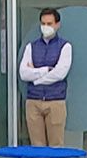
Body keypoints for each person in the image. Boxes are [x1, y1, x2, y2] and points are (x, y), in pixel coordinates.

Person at [18, 8, 73, 147]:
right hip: (33, 101)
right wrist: (46, 70)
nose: (46, 27)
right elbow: (23, 73)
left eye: (49, 23)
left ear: (57, 24)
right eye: (43, 23)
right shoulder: (31, 46)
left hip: (55, 101)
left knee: (56, 145)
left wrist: (35, 76)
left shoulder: (65, 46)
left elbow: (60, 73)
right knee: (37, 145)